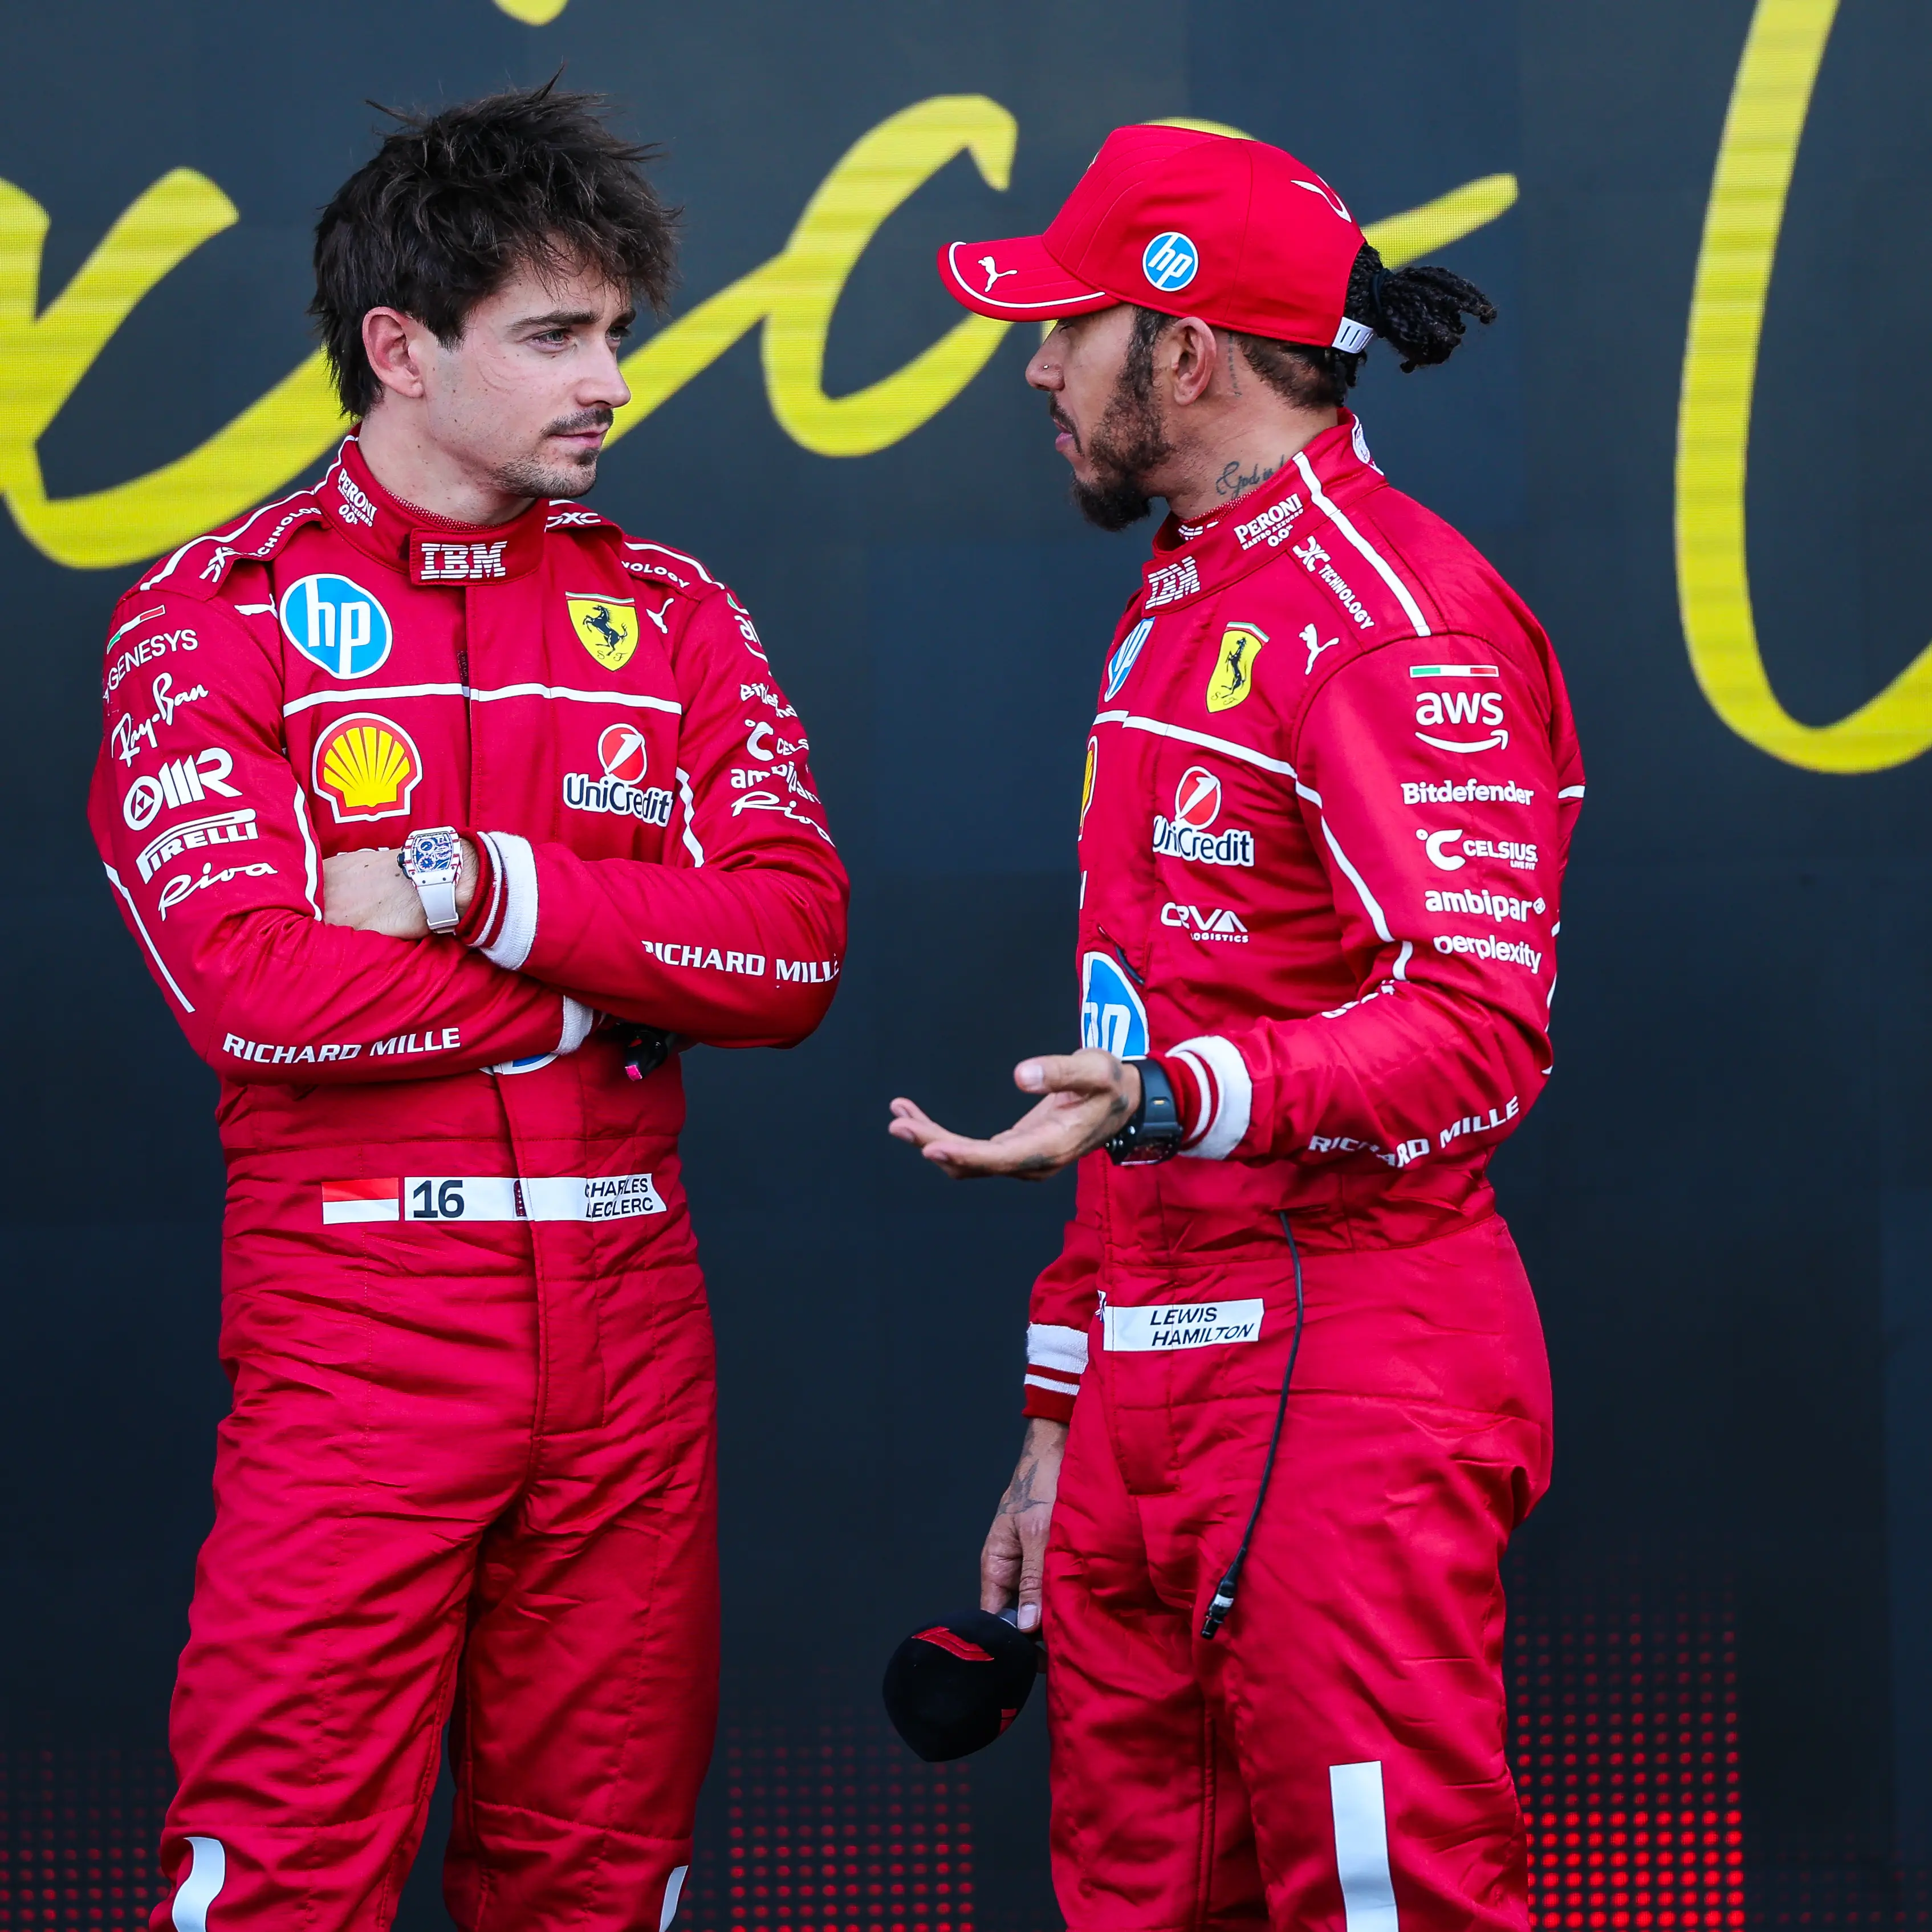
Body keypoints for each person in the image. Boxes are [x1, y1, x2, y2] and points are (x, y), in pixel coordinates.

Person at [90, 84, 847, 1932]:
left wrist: (477, 888)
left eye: (617, 335)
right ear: (399, 350)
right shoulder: (212, 614)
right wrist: (611, 977)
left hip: (630, 1331)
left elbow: (792, 953)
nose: (608, 380)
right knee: (276, 1877)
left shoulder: (676, 616)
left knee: (601, 1883)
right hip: (356, 1332)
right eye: (556, 335)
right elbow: (255, 990)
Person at [892, 124, 1581, 1930]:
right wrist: (1062, 1405)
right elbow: (1132, 1046)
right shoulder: (1184, 591)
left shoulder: (1389, 619)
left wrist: (1176, 1096)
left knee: (1382, 1899)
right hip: (1149, 1383)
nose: (1033, 365)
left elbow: (1476, 1026)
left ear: (1186, 351)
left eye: (1065, 326)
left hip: (1348, 1357)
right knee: (1135, 1900)